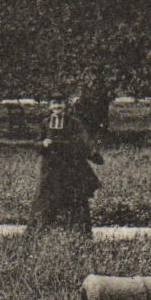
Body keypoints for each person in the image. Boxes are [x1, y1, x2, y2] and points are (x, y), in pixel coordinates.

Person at [29, 95, 104, 237]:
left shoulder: (74, 123)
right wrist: (42, 144)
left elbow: (84, 140)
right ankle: (38, 233)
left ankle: (81, 234)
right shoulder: (45, 123)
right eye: (55, 105)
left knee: (76, 198)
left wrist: (88, 152)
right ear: (50, 107)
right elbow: (36, 143)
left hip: (70, 166)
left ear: (66, 106)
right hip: (50, 167)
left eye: (61, 105)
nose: (58, 108)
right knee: (45, 198)